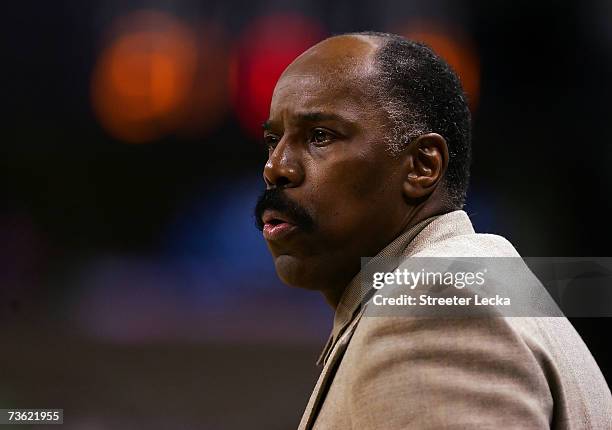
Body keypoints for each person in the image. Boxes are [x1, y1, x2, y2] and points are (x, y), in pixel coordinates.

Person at [254, 32, 612, 429]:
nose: (276, 167)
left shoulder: (430, 305)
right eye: (273, 140)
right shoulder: (473, 279)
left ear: (422, 167)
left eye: (320, 136)